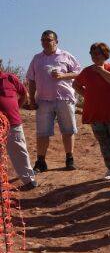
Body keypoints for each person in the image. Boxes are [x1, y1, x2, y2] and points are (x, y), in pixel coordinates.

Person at [26, 30, 82, 172]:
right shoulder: (37, 58)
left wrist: (63, 75)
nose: (46, 42)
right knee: (42, 132)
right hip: (43, 100)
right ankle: (41, 161)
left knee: (68, 130)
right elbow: (31, 80)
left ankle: (69, 159)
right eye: (43, 40)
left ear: (56, 41)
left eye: (49, 39)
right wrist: (31, 99)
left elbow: (79, 73)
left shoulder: (66, 55)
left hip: (64, 98)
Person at [73, 43, 110, 179]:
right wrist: (87, 95)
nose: (94, 56)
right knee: (104, 142)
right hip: (95, 112)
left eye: (98, 53)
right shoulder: (87, 71)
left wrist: (101, 70)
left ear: (105, 55)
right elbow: (76, 84)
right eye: (92, 54)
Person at [0, 67, 37, 190]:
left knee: (20, 151)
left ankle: (29, 180)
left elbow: (24, 94)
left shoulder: (10, 78)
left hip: (13, 123)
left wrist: (16, 109)